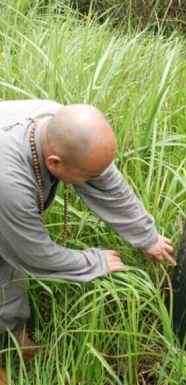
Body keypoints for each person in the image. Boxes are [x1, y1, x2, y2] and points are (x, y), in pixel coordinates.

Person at [0, 100, 175, 384]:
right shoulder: (9, 184)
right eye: (90, 175)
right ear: (54, 163)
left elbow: (107, 182)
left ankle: (15, 339)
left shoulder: (59, 125)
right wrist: (93, 261)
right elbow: (33, 255)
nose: (98, 178)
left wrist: (147, 236)